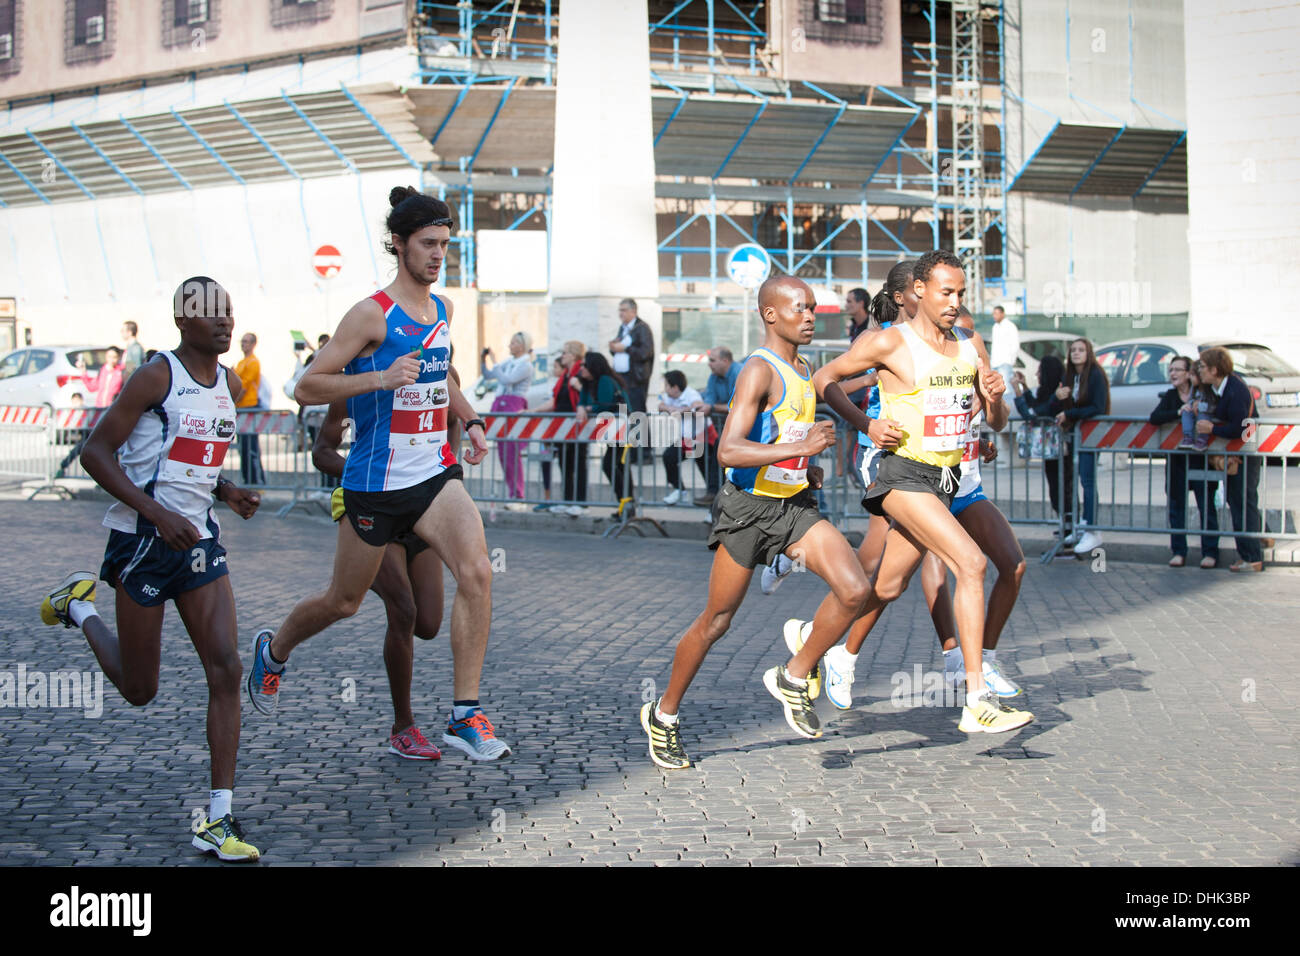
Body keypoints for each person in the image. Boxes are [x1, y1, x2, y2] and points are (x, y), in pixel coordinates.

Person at [246, 185, 511, 762]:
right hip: (373, 482)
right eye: (427, 245)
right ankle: (277, 649)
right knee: (343, 602)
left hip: (434, 476)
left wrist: (470, 422)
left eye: (445, 245)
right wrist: (378, 378)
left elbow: (441, 379)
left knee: (478, 573)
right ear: (398, 245)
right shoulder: (370, 313)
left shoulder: (441, 310)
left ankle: (464, 716)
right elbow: (307, 386)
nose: (438, 256)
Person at [39, 276, 264, 861]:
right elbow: (96, 452)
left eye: (229, 311)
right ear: (182, 320)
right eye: (211, 313)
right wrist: (157, 513)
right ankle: (79, 607)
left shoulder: (231, 383)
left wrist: (228, 489)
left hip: (198, 542)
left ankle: (218, 818)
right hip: (141, 540)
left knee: (227, 668)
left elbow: (189, 460)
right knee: (140, 690)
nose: (225, 322)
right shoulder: (156, 376)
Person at [639, 275, 868, 770]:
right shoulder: (756, 371)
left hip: (793, 507)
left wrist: (805, 467)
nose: (809, 316)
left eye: (812, 307)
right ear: (770, 314)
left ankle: (794, 674)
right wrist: (800, 448)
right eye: (799, 308)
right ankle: (664, 714)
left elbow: (784, 437)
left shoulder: (803, 368)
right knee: (717, 621)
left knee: (855, 589)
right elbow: (729, 450)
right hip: (746, 510)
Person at [813, 249, 1033, 734]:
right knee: (971, 563)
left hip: (951, 479)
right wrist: (866, 422)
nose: (954, 302)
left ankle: (829, 648)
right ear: (919, 292)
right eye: (945, 292)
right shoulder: (892, 342)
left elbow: (992, 419)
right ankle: (976, 696)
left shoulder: (970, 347)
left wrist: (994, 402)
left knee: (889, 585)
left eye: (961, 293)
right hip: (904, 475)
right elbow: (824, 379)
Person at [313, 395, 464, 758]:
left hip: (420, 510)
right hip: (372, 506)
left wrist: (447, 474)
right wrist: (365, 470)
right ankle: (403, 727)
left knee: (427, 624)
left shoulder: (444, 375)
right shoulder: (356, 382)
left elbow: (453, 423)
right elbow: (321, 450)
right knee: (403, 609)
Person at [1149, 356, 1221, 568]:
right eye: (1170, 370)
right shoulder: (1171, 396)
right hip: (1177, 459)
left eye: (1178, 369)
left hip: (1201, 458)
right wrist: (1177, 412)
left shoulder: (1203, 392)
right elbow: (1155, 417)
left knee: (1206, 505)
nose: (1173, 373)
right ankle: (1179, 551)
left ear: (1189, 373)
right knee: (1176, 506)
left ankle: (1210, 552)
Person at [1197, 347, 1264, 572]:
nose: (1199, 370)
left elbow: (1239, 426)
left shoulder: (1235, 391)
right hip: (1240, 452)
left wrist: (1212, 428)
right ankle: (1263, 536)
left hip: (1245, 453)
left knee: (1241, 502)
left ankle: (1251, 557)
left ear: (1215, 370)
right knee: (1242, 501)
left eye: (1203, 367)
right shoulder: (1222, 387)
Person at [1051, 337, 1110, 556]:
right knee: (1079, 479)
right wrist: (1057, 398)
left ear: (1089, 353)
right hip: (1075, 435)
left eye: (1081, 350)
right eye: (1073, 350)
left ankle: (1092, 528)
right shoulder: (1069, 376)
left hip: (1091, 434)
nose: (1076, 353)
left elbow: (1098, 406)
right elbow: (1056, 405)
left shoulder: (1095, 374)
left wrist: (1070, 413)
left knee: (1088, 480)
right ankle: (1082, 526)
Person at [575, 351, 633, 520]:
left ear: (594, 366)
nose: (582, 368)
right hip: (613, 431)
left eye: (584, 365)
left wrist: (587, 409)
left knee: (612, 465)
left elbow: (604, 405)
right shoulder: (588, 383)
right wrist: (581, 407)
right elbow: (583, 401)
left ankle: (627, 505)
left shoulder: (605, 381)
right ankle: (625, 507)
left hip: (624, 429)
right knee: (618, 467)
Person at [533, 340, 587, 516]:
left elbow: (587, 394)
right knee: (565, 463)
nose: (562, 356)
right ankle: (567, 499)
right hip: (562, 426)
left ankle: (580, 502)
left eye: (565, 353)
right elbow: (555, 401)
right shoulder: (565, 375)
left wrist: (578, 385)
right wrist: (533, 410)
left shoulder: (580, 372)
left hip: (577, 425)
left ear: (573, 355)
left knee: (578, 462)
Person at [481, 331, 534, 509]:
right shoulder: (510, 362)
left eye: (513, 343)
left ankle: (518, 495)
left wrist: (495, 361)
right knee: (504, 454)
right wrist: (484, 360)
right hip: (500, 405)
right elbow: (489, 376)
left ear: (522, 346)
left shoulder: (525, 365)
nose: (510, 346)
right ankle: (513, 493)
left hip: (513, 405)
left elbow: (506, 380)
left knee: (512, 454)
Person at [688, 347, 740, 506]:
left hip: (744, 428)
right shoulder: (713, 377)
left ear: (725, 361)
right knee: (697, 449)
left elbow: (740, 406)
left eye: (712, 360)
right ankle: (714, 492)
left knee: (719, 450)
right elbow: (709, 401)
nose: (709, 364)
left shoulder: (741, 373)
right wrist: (701, 405)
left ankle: (718, 493)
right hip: (723, 427)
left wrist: (712, 408)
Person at [657, 370, 708, 505]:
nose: (665, 388)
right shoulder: (670, 397)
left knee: (706, 470)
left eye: (667, 385)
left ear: (675, 387)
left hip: (701, 439)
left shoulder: (691, 394)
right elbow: (661, 405)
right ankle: (680, 490)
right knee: (669, 457)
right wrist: (669, 408)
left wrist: (681, 410)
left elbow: (697, 405)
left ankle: (714, 503)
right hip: (685, 439)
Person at [609, 298, 655, 416]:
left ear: (633, 311)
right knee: (625, 412)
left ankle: (642, 435)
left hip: (635, 380)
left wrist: (625, 348)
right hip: (622, 378)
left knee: (637, 413)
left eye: (624, 310)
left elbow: (645, 352)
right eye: (620, 310)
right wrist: (614, 348)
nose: (621, 313)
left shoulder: (642, 328)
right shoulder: (623, 328)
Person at [233, 332, 265, 486]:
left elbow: (243, 387)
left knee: (250, 448)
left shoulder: (253, 362)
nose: (243, 344)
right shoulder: (241, 362)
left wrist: (232, 403)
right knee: (243, 448)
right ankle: (248, 480)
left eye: (246, 341)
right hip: (241, 409)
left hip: (249, 407)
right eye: (242, 341)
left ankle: (256, 481)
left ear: (253, 344)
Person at [1176, 361, 1216, 451]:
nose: (1190, 378)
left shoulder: (1209, 389)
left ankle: (1202, 439)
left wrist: (1199, 406)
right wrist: (1188, 406)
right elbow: (1191, 400)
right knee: (1186, 412)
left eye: (1192, 375)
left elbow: (1212, 405)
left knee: (1203, 414)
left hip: (1205, 413)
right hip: (1195, 411)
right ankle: (1188, 437)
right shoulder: (1194, 388)